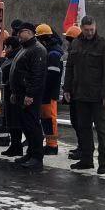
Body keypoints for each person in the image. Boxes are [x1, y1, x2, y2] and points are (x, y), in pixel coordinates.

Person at [63, 16, 105, 175]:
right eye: (86, 30)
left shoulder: (103, 45)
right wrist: (67, 88)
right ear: (82, 28)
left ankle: (104, 163)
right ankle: (86, 160)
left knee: (102, 131)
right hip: (80, 95)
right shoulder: (76, 44)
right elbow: (70, 68)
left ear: (95, 27)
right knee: (83, 129)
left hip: (98, 97)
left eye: (92, 29)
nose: (89, 32)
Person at [7, 23, 48, 169]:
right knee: (25, 125)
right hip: (20, 94)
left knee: (32, 125)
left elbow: (37, 75)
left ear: (30, 32)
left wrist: (30, 94)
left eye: (21, 32)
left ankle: (37, 156)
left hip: (29, 95)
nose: (18, 34)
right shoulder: (25, 48)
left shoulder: (37, 50)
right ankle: (30, 153)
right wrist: (14, 92)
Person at [35, 24, 64, 156]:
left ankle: (52, 146)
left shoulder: (53, 53)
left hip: (49, 92)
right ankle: (50, 144)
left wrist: (44, 88)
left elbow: (52, 75)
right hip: (47, 91)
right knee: (47, 119)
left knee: (50, 119)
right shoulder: (52, 50)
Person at [0, 33, 25, 157]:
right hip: (9, 93)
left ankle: (16, 146)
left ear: (10, 47)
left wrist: (8, 85)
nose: (4, 50)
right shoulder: (11, 57)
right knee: (11, 120)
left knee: (15, 121)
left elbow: (14, 76)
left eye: (6, 47)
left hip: (13, 94)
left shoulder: (16, 58)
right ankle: (14, 145)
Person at [63, 25, 84, 161]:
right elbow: (69, 73)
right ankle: (81, 147)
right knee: (76, 121)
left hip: (80, 92)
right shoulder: (74, 51)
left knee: (80, 123)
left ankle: (83, 149)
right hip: (74, 91)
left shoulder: (80, 52)